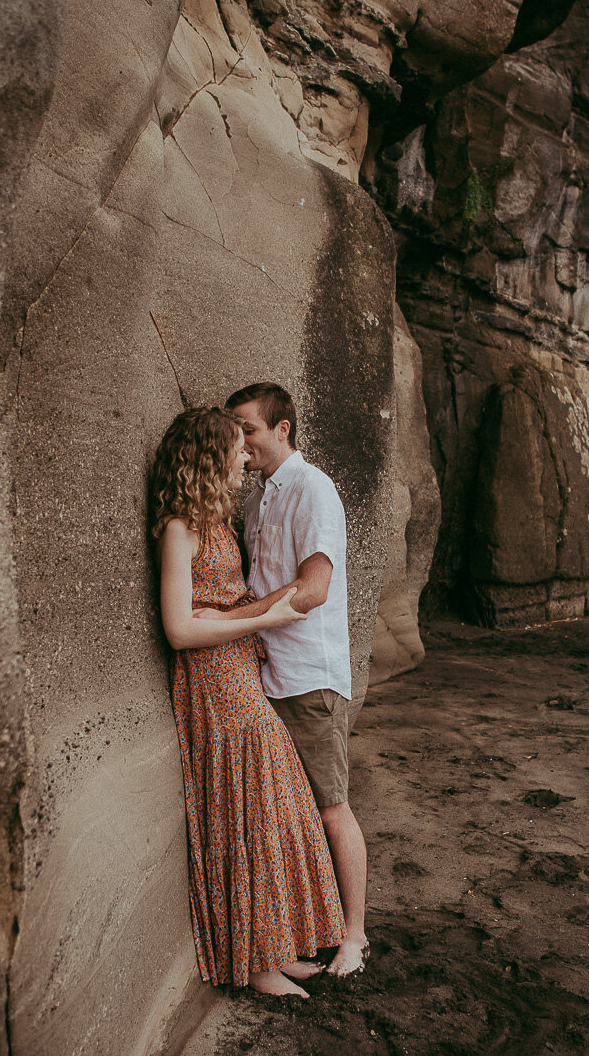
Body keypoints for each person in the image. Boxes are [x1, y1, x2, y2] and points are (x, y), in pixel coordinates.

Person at [151, 405, 348, 998]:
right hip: (213, 680)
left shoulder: (218, 521)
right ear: (211, 457)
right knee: (244, 810)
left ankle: (276, 946)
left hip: (240, 670)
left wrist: (248, 615)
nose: (245, 459)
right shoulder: (180, 528)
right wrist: (259, 618)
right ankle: (256, 962)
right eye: (236, 450)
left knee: (271, 805)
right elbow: (180, 630)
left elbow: (227, 600)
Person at [218, 382, 370, 978]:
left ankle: (354, 936)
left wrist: (231, 621)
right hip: (263, 673)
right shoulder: (255, 500)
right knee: (285, 812)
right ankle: (301, 935)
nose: (241, 440)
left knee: (332, 808)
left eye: (248, 428)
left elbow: (313, 590)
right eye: (235, 429)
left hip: (308, 677)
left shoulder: (313, 489)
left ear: (282, 430)